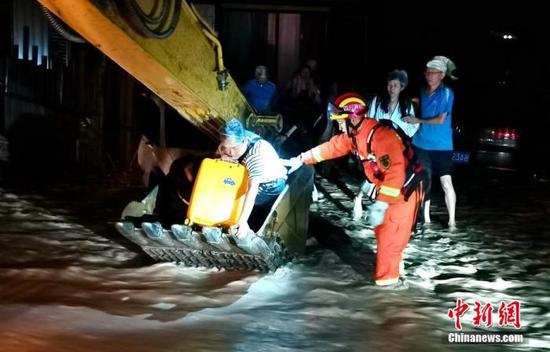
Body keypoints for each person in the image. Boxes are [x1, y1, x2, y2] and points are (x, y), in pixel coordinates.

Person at [284, 93, 425, 288]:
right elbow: (331, 148)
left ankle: (388, 291)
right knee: (385, 236)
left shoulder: (382, 137)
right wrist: (300, 159)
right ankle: (395, 274)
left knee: (388, 241)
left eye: (341, 121)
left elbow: (395, 173)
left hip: (404, 193)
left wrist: (381, 204)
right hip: (389, 191)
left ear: (353, 118)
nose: (338, 125)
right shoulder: (356, 135)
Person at [403, 56, 457, 229]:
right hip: (421, 144)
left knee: (446, 183)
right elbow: (421, 104)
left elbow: (441, 119)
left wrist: (417, 120)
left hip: (442, 146)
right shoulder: (422, 91)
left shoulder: (447, 93)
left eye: (433, 73)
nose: (429, 76)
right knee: (423, 181)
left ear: (442, 75)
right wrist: (413, 103)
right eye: (427, 72)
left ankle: (452, 222)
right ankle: (425, 219)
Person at [217, 118, 287, 237]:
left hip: (271, 186)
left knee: (240, 200)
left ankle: (253, 217)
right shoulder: (239, 135)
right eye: (226, 147)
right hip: (259, 171)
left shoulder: (255, 158)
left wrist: (243, 221)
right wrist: (223, 154)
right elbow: (222, 148)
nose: (229, 151)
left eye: (233, 148)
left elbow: (252, 190)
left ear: (243, 141)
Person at [368, 69, 419, 138]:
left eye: (395, 85)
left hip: (397, 145)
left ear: (401, 88)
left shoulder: (407, 105)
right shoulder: (378, 100)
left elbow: (413, 127)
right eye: (390, 85)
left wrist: (402, 137)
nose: (392, 88)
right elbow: (369, 120)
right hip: (378, 142)